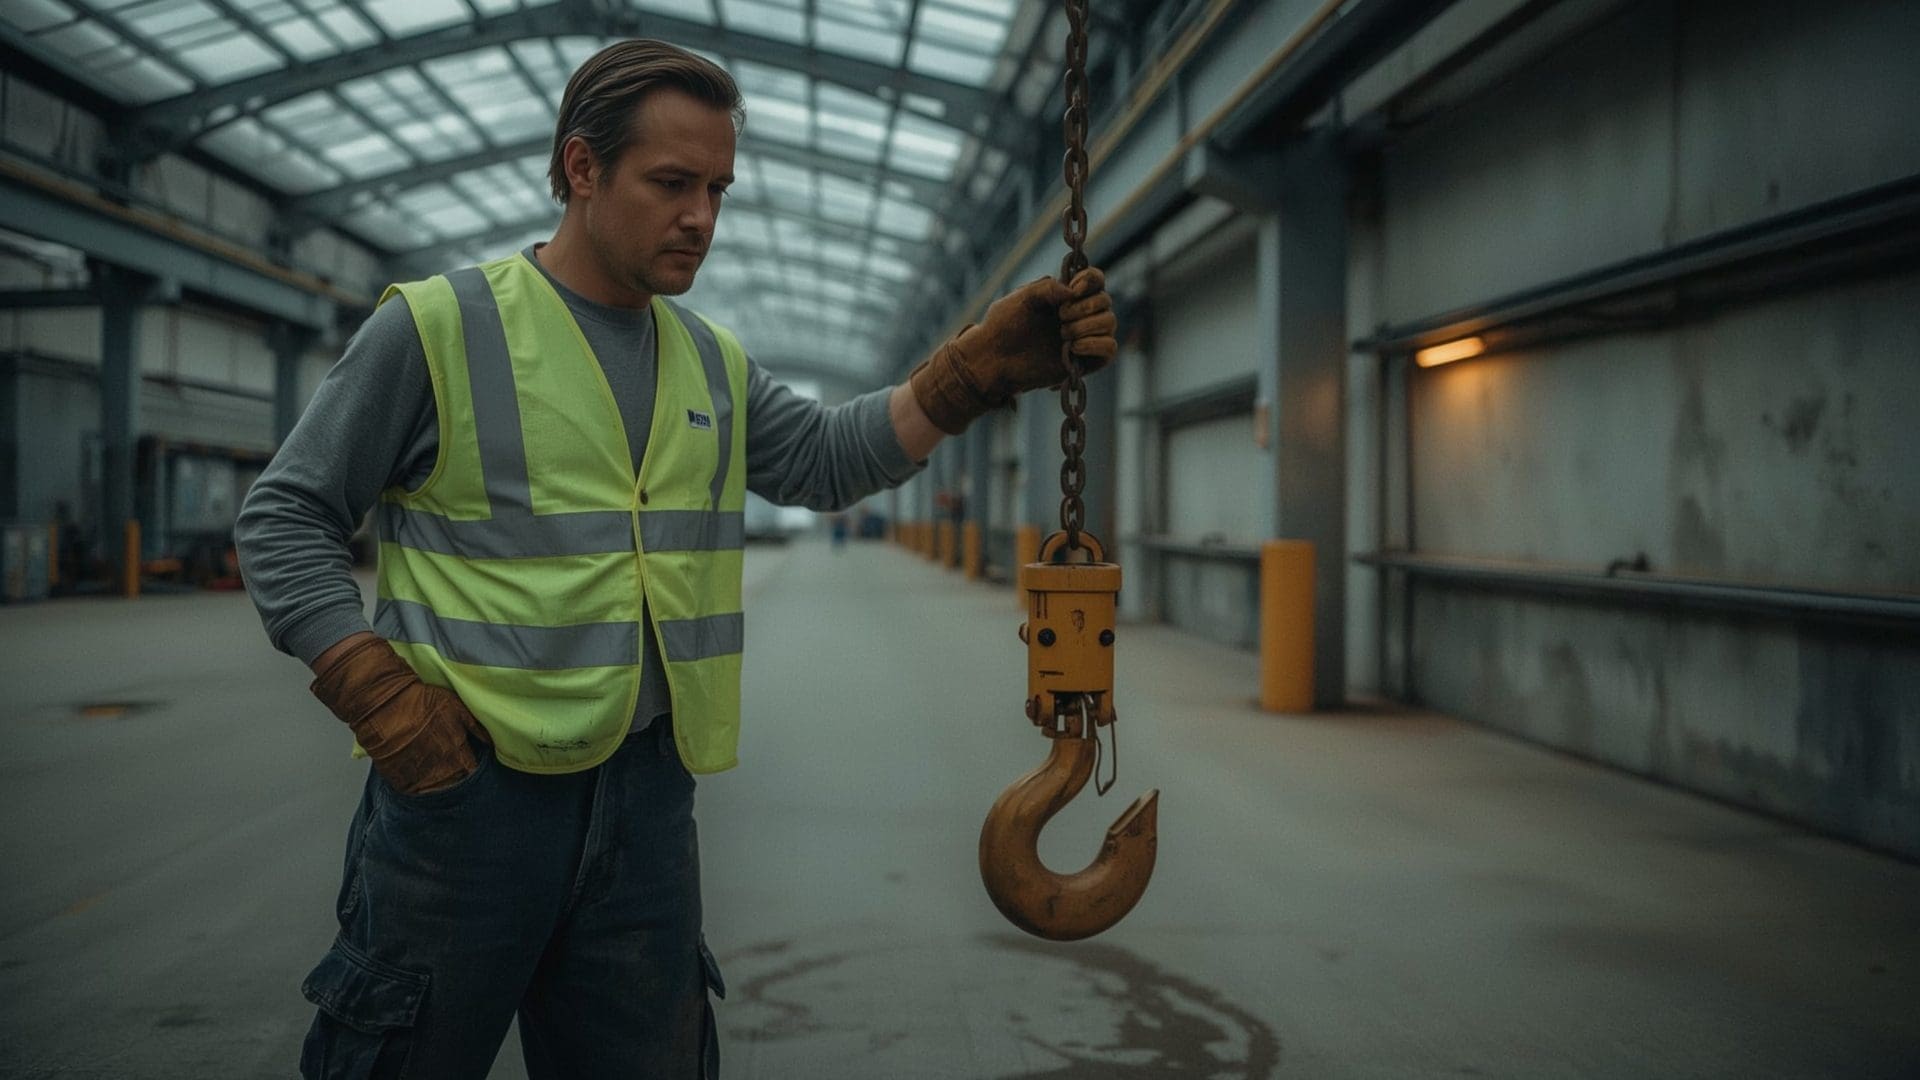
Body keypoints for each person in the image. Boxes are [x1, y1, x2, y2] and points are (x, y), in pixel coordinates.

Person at [235, 38, 1116, 1079]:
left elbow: (827, 459)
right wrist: (373, 690)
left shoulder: (705, 358)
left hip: (648, 804)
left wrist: (967, 375)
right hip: (466, 798)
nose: (702, 215)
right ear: (580, 169)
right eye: (671, 184)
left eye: (718, 188)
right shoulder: (438, 330)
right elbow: (284, 513)